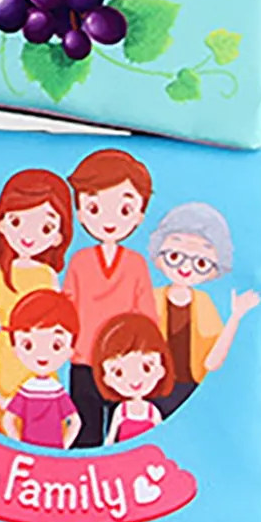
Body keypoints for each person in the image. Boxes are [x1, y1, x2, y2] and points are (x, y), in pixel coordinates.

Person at [62, 149, 158, 448]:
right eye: (94, 207)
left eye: (124, 209)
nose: (109, 219)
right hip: (84, 359)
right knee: (86, 429)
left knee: (124, 430)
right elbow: (67, 307)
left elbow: (147, 315)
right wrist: (67, 345)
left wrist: (146, 355)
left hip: (124, 361)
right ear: (80, 212)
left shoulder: (136, 264)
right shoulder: (79, 261)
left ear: (139, 215)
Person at [148, 202, 261, 416]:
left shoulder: (204, 304)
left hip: (192, 389)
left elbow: (213, 360)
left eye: (200, 263)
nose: (185, 267)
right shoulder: (151, 299)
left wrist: (236, 316)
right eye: (175, 256)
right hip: (151, 387)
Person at [0, 168, 73, 403]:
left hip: (40, 349)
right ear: (1, 224)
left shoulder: (47, 274)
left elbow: (61, 316)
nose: (29, 235)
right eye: (17, 221)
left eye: (45, 228)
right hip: (5, 350)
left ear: (58, 237)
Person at [1, 290, 82, 449]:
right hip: (31, 450)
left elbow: (75, 422)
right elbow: (8, 420)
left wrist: (63, 446)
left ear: (70, 350)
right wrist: (20, 444)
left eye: (56, 345)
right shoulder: (27, 389)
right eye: (28, 345)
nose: (42, 353)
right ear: (15, 349)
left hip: (52, 451)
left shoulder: (56, 390)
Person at [92, 314, 175, 443]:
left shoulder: (152, 412)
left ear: (161, 370)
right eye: (118, 372)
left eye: (146, 367)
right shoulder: (121, 411)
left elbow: (161, 437)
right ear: (107, 379)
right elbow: (110, 439)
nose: (135, 379)